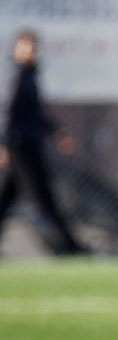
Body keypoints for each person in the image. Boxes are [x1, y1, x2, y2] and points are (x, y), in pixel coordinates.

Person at [0, 30, 84, 254]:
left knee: (8, 198)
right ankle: (70, 247)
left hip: (28, 143)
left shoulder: (29, 75)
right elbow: (8, 113)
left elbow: (35, 115)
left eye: (33, 48)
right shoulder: (18, 76)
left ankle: (70, 246)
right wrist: (5, 146)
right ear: (16, 50)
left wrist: (56, 131)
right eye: (25, 47)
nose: (30, 52)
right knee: (43, 197)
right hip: (20, 146)